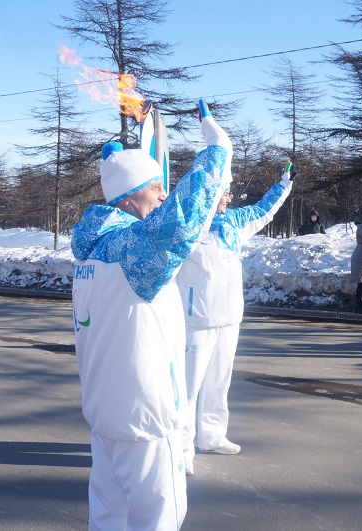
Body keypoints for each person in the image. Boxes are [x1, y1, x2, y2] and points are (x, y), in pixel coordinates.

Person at [70, 100, 231, 530]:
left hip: (106, 420)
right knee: (159, 520)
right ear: (128, 194)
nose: (163, 192)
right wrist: (216, 142)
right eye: (156, 185)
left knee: (108, 517)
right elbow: (186, 214)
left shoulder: (95, 249)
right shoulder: (134, 252)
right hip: (145, 422)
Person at [176, 163, 293, 476]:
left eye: (228, 192)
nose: (228, 198)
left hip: (228, 319)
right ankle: (181, 449)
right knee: (188, 389)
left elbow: (263, 210)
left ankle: (211, 435)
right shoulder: (186, 227)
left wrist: (283, 185)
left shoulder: (233, 223)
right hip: (196, 320)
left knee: (218, 382)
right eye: (223, 192)